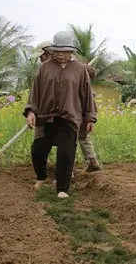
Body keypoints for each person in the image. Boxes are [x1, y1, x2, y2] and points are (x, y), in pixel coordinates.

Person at [24, 31, 97, 198]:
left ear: (71, 51)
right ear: (52, 51)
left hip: (70, 117)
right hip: (47, 116)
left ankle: (62, 188)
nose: (61, 55)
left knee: (66, 152)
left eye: (64, 51)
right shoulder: (44, 68)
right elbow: (35, 92)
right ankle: (41, 176)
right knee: (38, 149)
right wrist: (31, 111)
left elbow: (86, 95)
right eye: (57, 51)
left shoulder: (80, 70)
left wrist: (90, 117)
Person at [31, 42, 102, 172]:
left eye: (42, 56)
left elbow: (89, 76)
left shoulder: (76, 65)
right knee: (47, 139)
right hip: (50, 112)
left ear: (48, 54)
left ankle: (74, 168)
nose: (41, 59)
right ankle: (47, 169)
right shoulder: (45, 69)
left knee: (74, 138)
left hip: (75, 108)